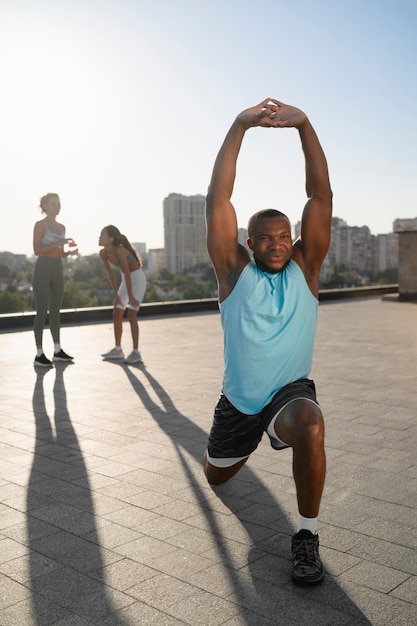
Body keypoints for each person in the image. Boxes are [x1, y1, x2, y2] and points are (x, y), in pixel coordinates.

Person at [203, 98, 333, 586]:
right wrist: (241, 124)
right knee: (216, 476)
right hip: (238, 404)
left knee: (311, 424)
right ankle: (236, 449)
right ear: (249, 243)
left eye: (284, 236)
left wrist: (305, 126)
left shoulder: (307, 269)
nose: (276, 243)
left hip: (288, 397)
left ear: (292, 240)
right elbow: (218, 199)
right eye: (265, 237)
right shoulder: (233, 272)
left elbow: (321, 196)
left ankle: (306, 536)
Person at [32, 193, 77, 367]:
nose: (57, 207)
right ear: (45, 206)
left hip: (57, 269)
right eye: (53, 204)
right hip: (42, 269)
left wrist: (69, 253)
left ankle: (58, 351)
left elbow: (58, 252)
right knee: (42, 312)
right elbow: (37, 250)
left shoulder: (62, 227)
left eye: (59, 204)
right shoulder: (40, 225)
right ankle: (39, 354)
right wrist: (62, 241)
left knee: (56, 312)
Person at [99, 225, 147, 364]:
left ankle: (136, 352)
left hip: (137, 279)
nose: (99, 237)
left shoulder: (120, 251)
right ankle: (118, 349)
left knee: (131, 315)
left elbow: (127, 273)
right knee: (117, 312)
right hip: (125, 280)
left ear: (111, 239)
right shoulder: (103, 253)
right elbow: (112, 275)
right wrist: (117, 296)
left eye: (102, 235)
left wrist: (131, 297)